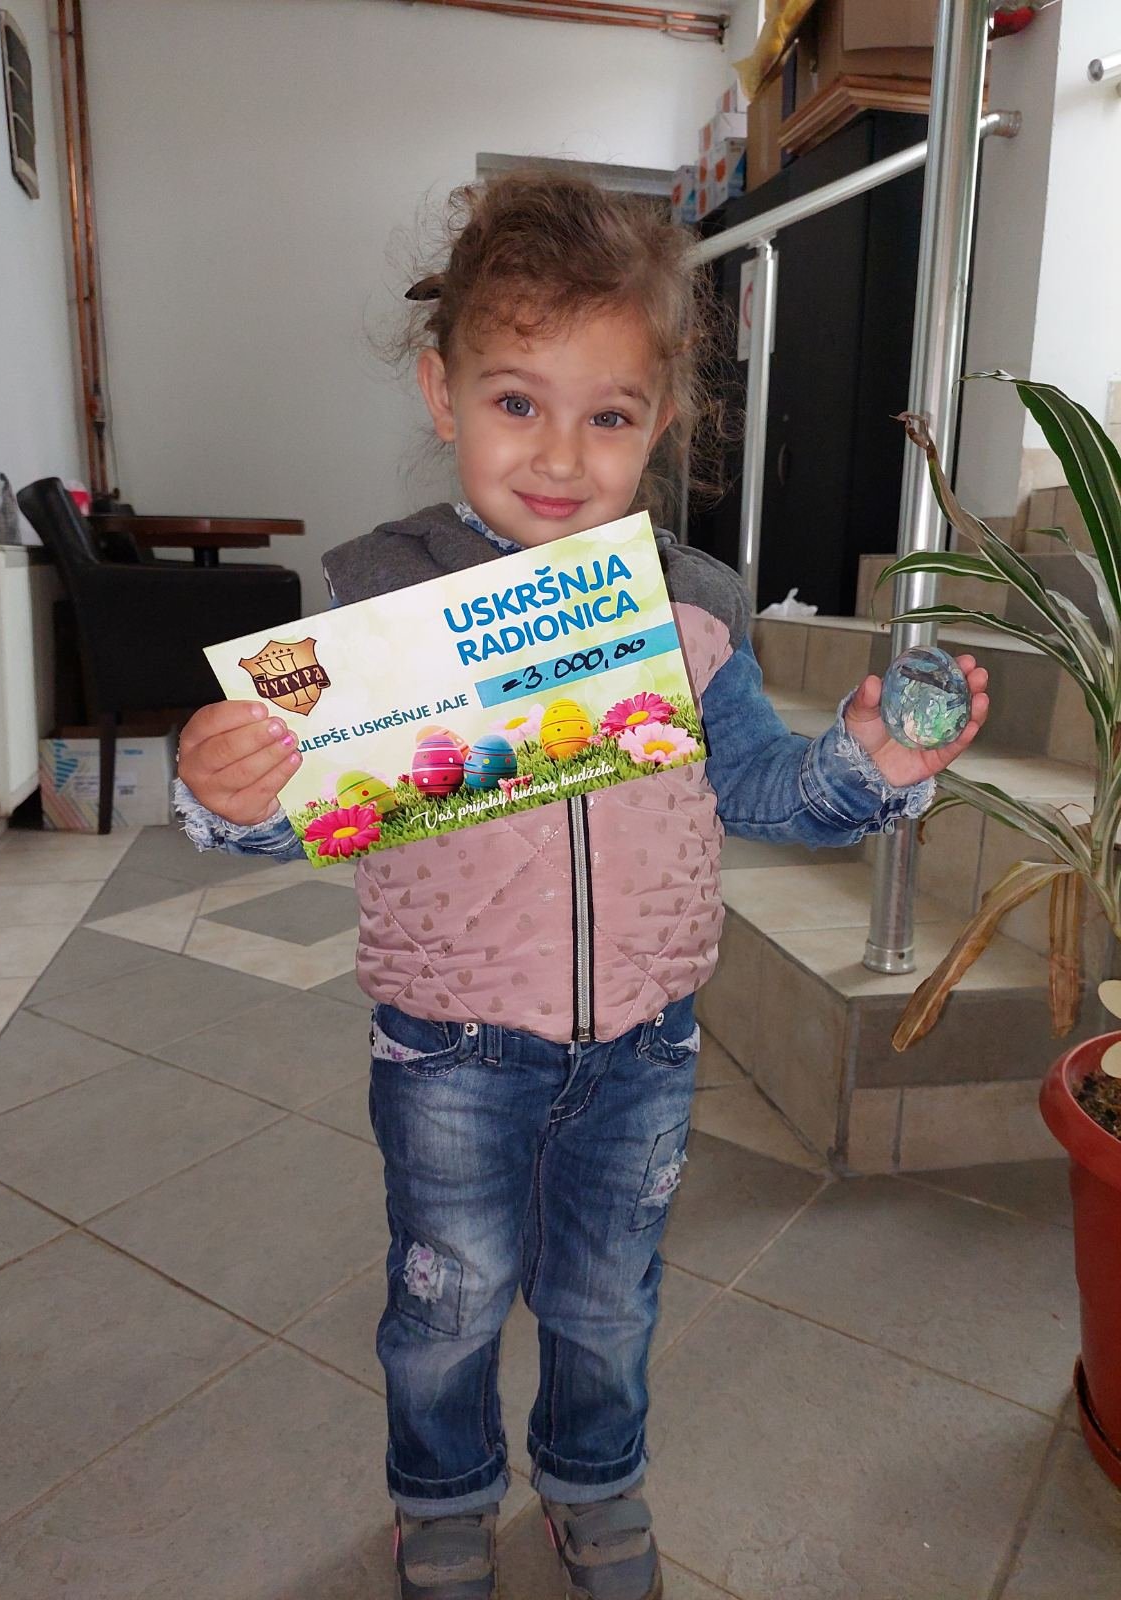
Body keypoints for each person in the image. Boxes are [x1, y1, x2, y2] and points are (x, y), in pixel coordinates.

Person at [175, 173, 989, 1600]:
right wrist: (227, 793)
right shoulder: (379, 598)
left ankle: (594, 1479)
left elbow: (759, 787)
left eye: (609, 415)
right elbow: (304, 819)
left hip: (644, 1047)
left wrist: (863, 765)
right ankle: (443, 1494)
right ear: (441, 394)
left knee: (608, 1300)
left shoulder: (696, 605)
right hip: (447, 1046)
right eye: (516, 402)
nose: (561, 455)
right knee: (447, 1298)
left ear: (660, 422)